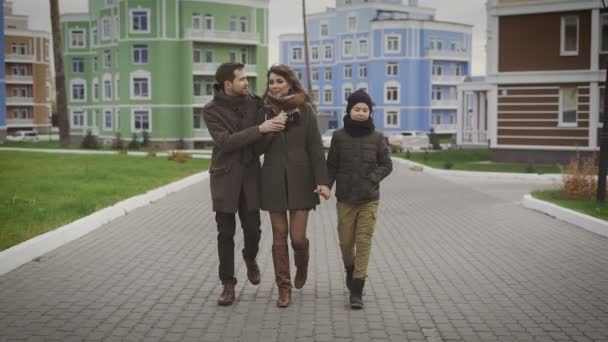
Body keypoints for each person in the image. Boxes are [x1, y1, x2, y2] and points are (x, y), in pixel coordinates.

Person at [203, 62, 287, 306]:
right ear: (228, 84)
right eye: (242, 79)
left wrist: (272, 130)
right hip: (224, 178)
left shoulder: (254, 103)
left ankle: (250, 258)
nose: (247, 82)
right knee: (225, 233)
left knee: (253, 229)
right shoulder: (211, 111)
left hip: (250, 177)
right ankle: (228, 285)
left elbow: (259, 142)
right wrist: (260, 129)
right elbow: (226, 142)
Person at [255, 64, 331, 307]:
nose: (275, 86)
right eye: (271, 82)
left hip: (302, 179)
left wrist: (322, 181)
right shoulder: (262, 110)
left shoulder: (305, 109)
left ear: (290, 83)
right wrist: (269, 129)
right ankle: (283, 288)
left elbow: (316, 149)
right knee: (279, 236)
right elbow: (255, 149)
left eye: (279, 81)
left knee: (297, 238)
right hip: (273, 179)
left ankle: (302, 262)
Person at [326, 89, 393, 309]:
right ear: (349, 110)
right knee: (346, 242)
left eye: (365, 109)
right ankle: (350, 268)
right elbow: (332, 165)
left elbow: (387, 164)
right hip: (345, 198)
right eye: (357, 109)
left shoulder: (377, 137)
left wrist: (374, 177)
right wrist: (326, 186)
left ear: (370, 112)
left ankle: (357, 289)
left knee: (363, 241)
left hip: (369, 198)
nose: (361, 113)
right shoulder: (338, 136)